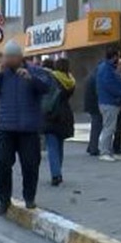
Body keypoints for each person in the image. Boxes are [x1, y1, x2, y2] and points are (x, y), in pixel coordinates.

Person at [0, 41, 50, 214]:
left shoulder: (34, 71)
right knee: (1, 162)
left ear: (19, 58)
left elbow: (46, 87)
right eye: (5, 57)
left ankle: (29, 198)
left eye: (10, 57)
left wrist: (31, 78)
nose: (7, 60)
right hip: (6, 128)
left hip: (28, 129)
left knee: (30, 164)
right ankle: (3, 200)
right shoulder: (1, 74)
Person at [42, 58, 75, 186]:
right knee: (59, 145)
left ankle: (56, 174)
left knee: (52, 146)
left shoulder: (52, 78)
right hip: (65, 114)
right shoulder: (70, 80)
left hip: (52, 114)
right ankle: (58, 171)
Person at [96, 47, 121, 162]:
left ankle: (107, 150)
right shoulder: (106, 69)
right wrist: (119, 95)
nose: (118, 59)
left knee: (110, 127)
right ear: (114, 56)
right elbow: (110, 85)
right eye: (117, 56)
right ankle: (104, 151)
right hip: (109, 103)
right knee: (109, 128)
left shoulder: (106, 68)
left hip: (109, 102)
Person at [84, 69, 101, 156]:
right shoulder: (97, 77)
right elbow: (98, 92)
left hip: (91, 104)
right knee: (96, 127)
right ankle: (93, 147)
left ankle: (91, 146)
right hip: (95, 105)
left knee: (95, 126)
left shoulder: (91, 76)